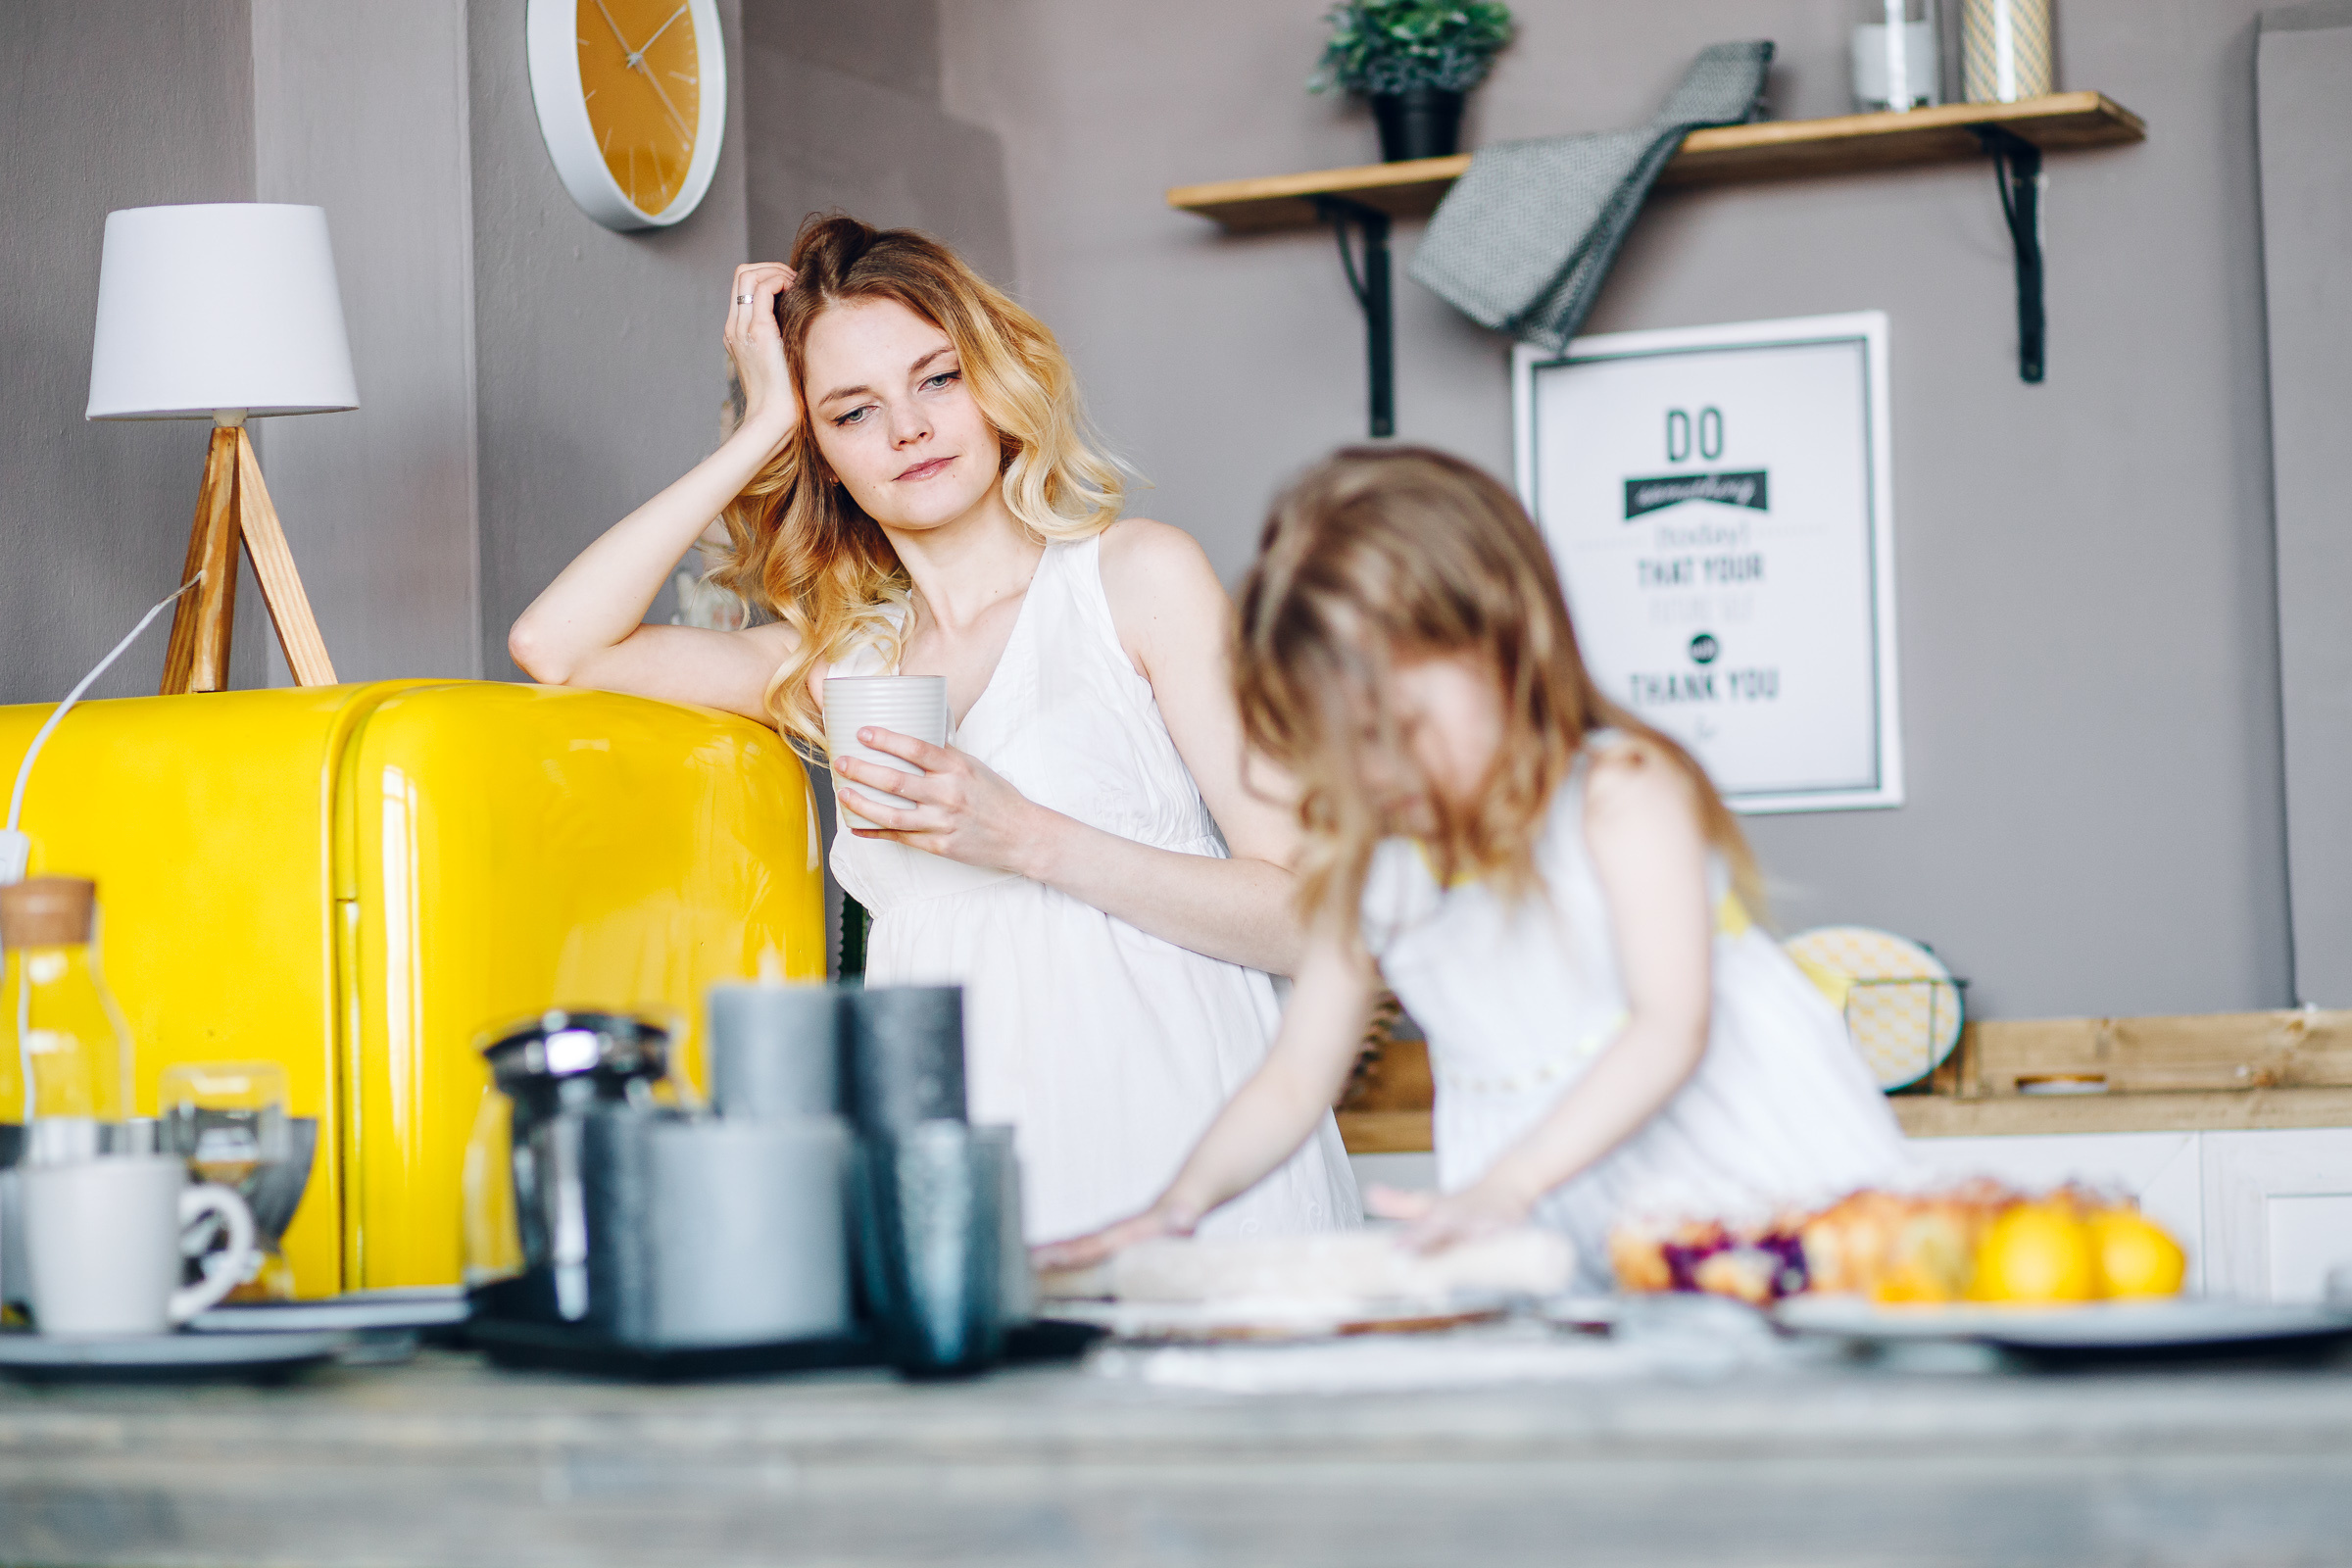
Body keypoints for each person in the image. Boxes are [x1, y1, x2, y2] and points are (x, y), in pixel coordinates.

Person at [508, 216, 1357, 1245]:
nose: (907, 428)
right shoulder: (834, 665)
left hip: (1180, 1126)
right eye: (852, 412)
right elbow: (558, 645)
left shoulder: (1133, 579)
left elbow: (1303, 918)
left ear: (995, 380)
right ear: (818, 454)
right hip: (954, 1153)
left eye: (938, 378)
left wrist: (1028, 838)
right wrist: (757, 427)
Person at [1038, 448, 1908, 1287]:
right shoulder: (1380, 867)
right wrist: (1179, 1206)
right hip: (1593, 1233)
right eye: (1347, 746)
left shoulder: (1620, 794)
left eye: (1404, 728)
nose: (1379, 773)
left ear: (1505, 647)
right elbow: (1298, 1075)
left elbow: (1668, 1027)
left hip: (1763, 1192)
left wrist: (1510, 1186)